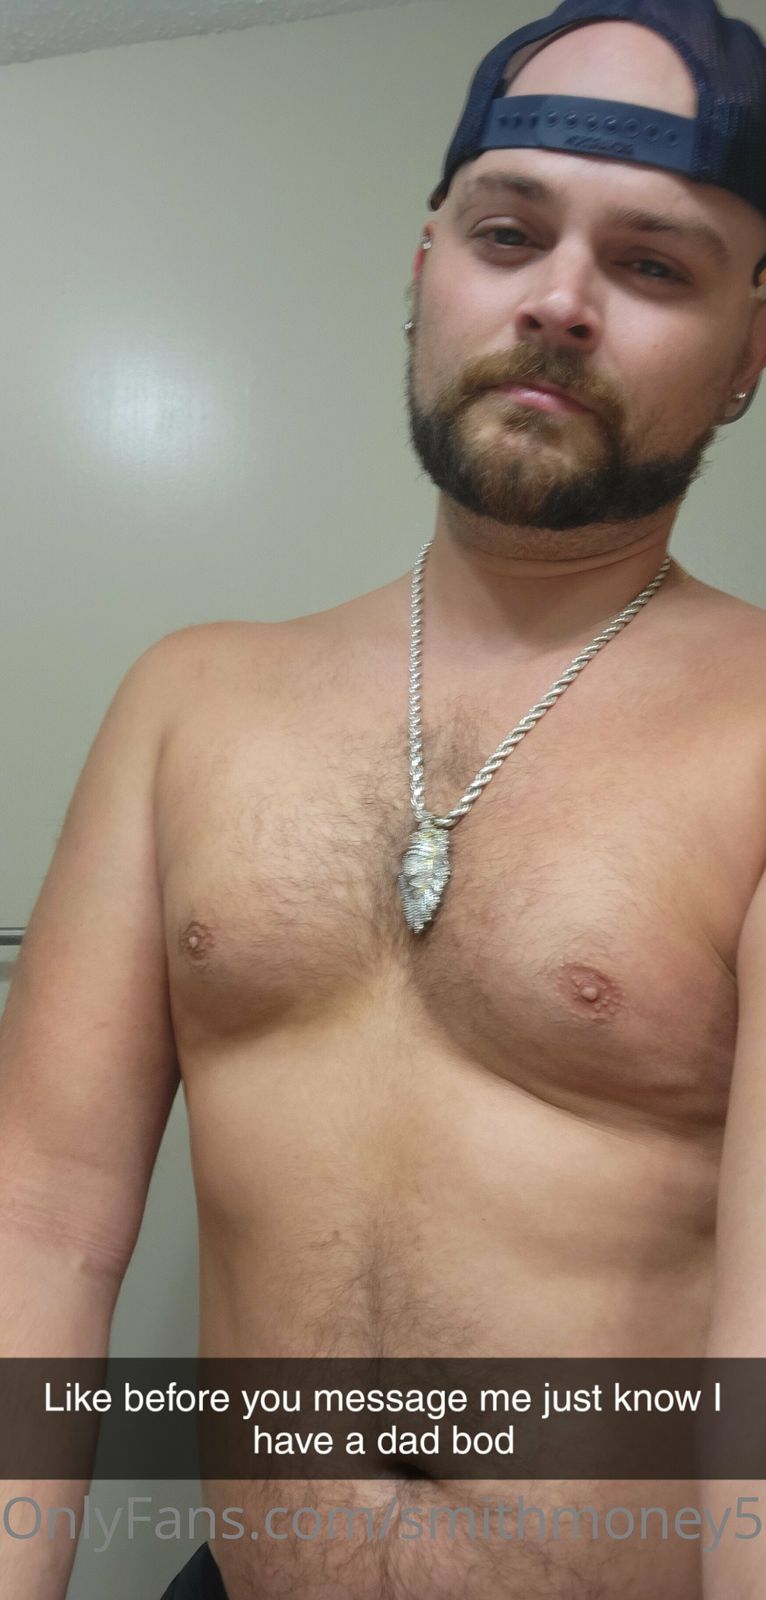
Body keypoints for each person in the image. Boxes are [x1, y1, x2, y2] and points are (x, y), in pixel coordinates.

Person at [2, 0, 766, 1595]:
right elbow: (42, 1224)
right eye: (507, 233)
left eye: (651, 265)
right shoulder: (187, 703)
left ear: (748, 352)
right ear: (424, 273)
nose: (556, 302)